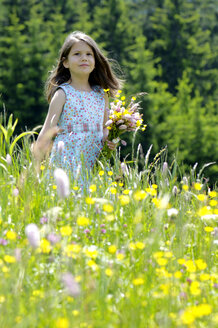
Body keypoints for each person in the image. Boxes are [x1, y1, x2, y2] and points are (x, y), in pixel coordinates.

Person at [35, 31, 121, 187]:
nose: (84, 58)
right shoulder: (63, 93)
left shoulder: (102, 94)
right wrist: (35, 165)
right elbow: (47, 130)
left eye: (89, 54)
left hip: (95, 162)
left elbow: (104, 128)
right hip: (67, 160)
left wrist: (110, 139)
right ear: (65, 62)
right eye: (77, 54)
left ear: (95, 61)